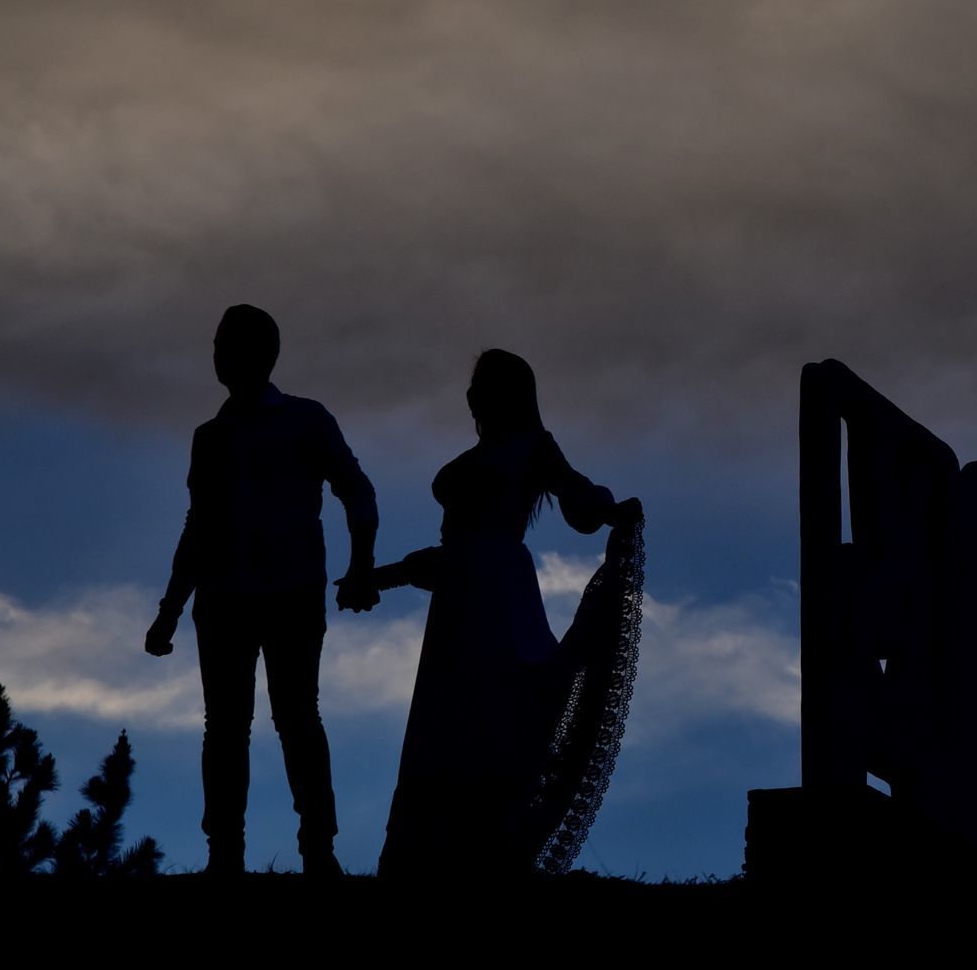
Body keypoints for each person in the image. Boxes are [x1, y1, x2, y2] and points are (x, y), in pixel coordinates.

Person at [375, 348, 642, 878]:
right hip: (460, 593)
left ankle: (482, 850)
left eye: (483, 386)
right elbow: (452, 554)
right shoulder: (489, 457)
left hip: (497, 589)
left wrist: (612, 511)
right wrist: (388, 575)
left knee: (490, 712)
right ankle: (438, 856)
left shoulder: (534, 448)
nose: (472, 396)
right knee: (448, 718)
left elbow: (578, 498)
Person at [143, 304, 380, 877]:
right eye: (218, 344)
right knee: (228, 727)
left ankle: (316, 851)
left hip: (291, 595)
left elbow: (358, 491)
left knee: (294, 719)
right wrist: (170, 612)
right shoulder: (211, 438)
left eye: (225, 344)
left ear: (258, 354)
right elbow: (197, 527)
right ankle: (226, 854)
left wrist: (364, 564)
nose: (217, 355)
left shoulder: (306, 421)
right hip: (223, 600)